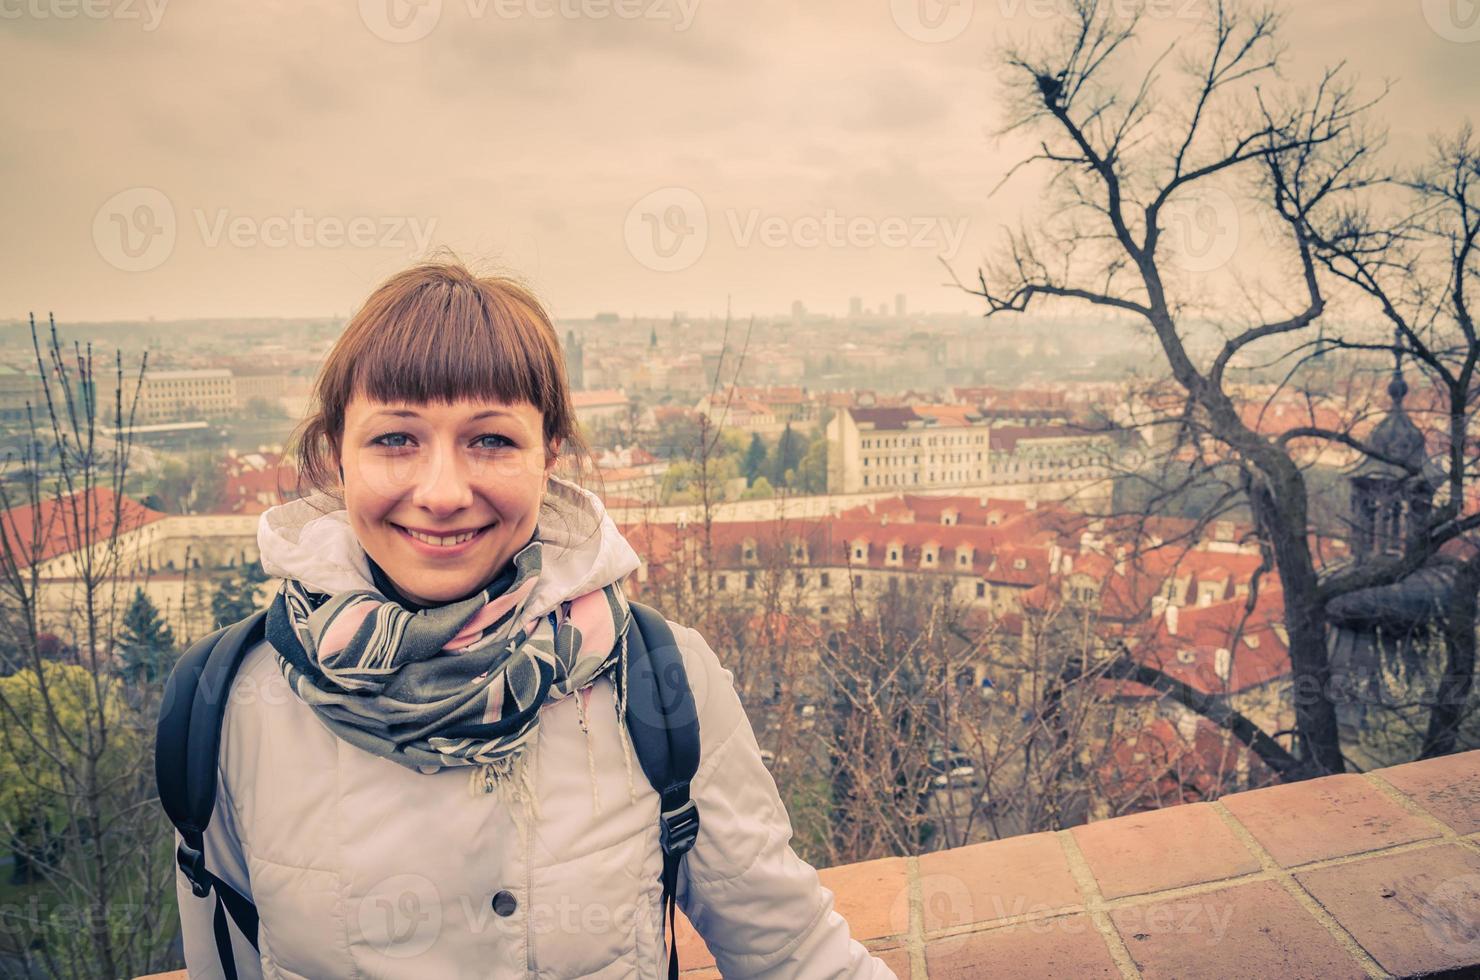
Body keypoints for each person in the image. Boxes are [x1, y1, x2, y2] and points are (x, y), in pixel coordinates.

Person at [172, 259, 897, 979]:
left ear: (550, 454)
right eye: (396, 439)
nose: (444, 492)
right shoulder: (230, 704)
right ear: (337, 454)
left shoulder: (660, 678)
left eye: (490, 440)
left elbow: (793, 953)